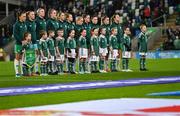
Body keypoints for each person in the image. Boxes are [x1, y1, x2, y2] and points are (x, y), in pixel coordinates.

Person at [13, 11, 27, 77]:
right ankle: (17, 73)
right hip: (18, 44)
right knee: (17, 58)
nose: (25, 17)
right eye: (24, 16)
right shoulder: (16, 24)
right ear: (19, 17)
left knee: (22, 58)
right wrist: (21, 41)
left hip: (24, 44)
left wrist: (26, 40)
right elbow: (15, 35)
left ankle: (21, 72)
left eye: (25, 16)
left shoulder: (24, 24)